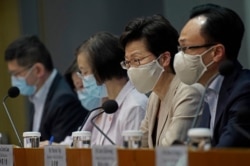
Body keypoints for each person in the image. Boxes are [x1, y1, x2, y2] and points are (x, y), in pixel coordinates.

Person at [174, 3, 250, 147]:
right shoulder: (209, 91)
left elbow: (224, 154)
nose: (179, 55)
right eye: (180, 48)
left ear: (216, 52)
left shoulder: (244, 90)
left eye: (185, 48)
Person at [120, 14, 202, 147]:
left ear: (164, 59)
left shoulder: (188, 92)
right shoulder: (154, 97)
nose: (131, 69)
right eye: (128, 62)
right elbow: (139, 147)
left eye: (137, 60)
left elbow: (170, 152)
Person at [4, 35, 88, 143]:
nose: (14, 79)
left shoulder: (64, 100)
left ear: (38, 70)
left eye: (16, 74)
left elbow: (57, 154)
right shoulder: (36, 95)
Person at [77, 31, 148, 146]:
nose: (83, 79)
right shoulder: (106, 106)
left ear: (102, 68)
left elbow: (132, 158)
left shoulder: (135, 106)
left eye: (85, 72)